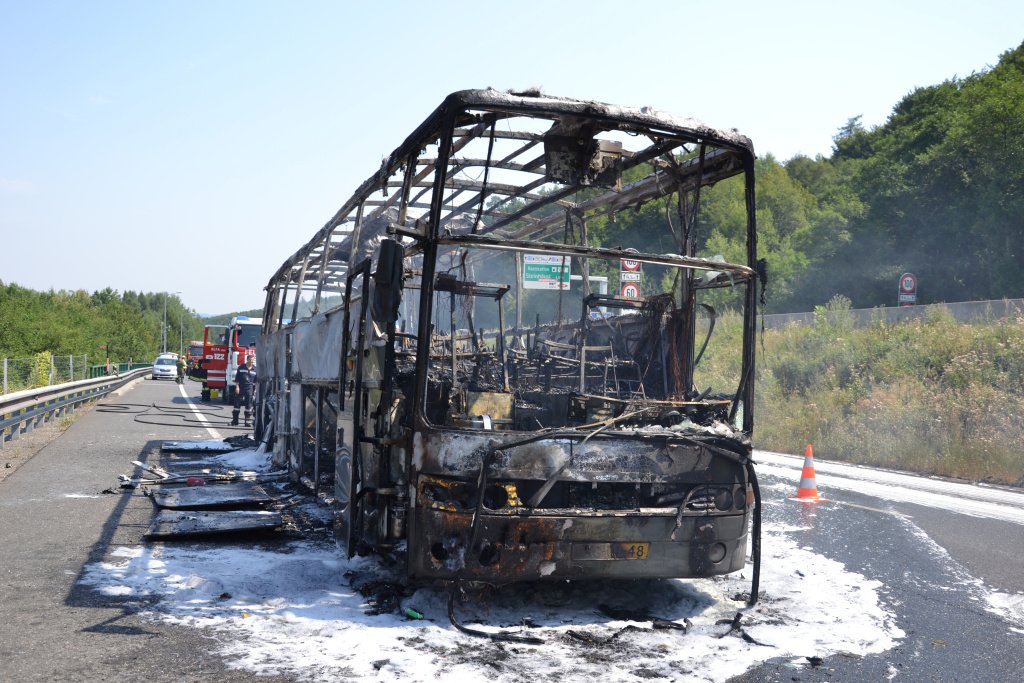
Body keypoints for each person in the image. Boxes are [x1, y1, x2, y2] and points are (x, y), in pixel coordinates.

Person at [232, 353, 257, 426]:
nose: (251, 362)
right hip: (241, 387)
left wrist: (255, 390)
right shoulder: (241, 367)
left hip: (249, 388)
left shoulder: (255, 369)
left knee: (248, 405)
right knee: (237, 404)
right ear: (247, 360)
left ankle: (247, 422)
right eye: (250, 360)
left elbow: (256, 382)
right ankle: (235, 421)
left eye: (252, 360)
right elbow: (237, 378)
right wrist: (237, 387)